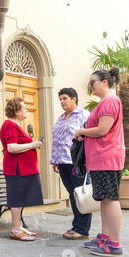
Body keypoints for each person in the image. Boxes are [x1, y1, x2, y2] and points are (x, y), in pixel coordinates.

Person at [74, 67, 125, 257]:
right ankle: (105, 237)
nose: (90, 86)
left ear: (105, 82)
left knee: (111, 200)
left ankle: (115, 244)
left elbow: (103, 129)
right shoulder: (105, 102)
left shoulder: (110, 101)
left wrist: (81, 132)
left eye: (92, 83)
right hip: (102, 159)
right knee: (104, 199)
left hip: (107, 158)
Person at [0, 97, 44, 241]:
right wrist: (33, 145)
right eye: (24, 108)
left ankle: (18, 226)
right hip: (16, 169)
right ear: (16, 111)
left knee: (20, 198)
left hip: (23, 168)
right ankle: (15, 230)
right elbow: (11, 148)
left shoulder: (16, 126)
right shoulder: (9, 126)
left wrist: (33, 144)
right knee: (16, 199)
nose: (26, 110)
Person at [50, 88, 92, 240]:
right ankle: (77, 225)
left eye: (65, 98)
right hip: (62, 162)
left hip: (77, 162)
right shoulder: (61, 117)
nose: (62, 101)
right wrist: (55, 160)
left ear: (74, 99)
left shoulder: (84, 115)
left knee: (81, 194)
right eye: (60, 99)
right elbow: (57, 139)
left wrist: (87, 161)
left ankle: (82, 229)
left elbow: (89, 137)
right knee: (73, 195)